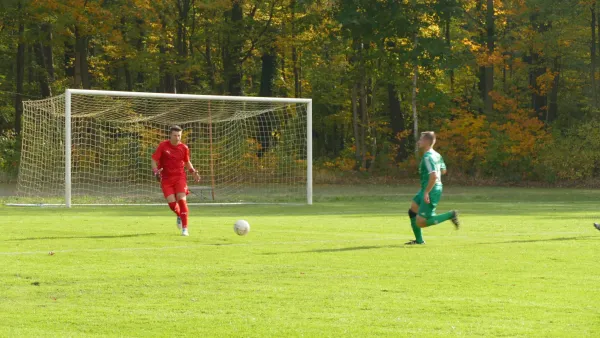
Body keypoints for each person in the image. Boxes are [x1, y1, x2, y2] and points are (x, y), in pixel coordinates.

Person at [405, 131, 460, 245]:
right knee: (413, 210)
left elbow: (434, 176)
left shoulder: (428, 157)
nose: (418, 141)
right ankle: (419, 241)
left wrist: (427, 192)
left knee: (421, 222)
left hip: (431, 189)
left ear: (426, 141)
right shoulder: (437, 155)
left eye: (420, 139)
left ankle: (450, 215)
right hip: (428, 187)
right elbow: (443, 170)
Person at [151, 125, 201, 236]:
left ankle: (185, 228)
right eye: (175, 135)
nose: (177, 138)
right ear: (170, 135)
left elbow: (187, 162)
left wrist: (193, 172)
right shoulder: (163, 146)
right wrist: (155, 171)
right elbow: (154, 160)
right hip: (166, 179)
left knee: (182, 201)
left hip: (180, 177)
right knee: (172, 205)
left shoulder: (184, 148)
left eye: (179, 135)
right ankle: (179, 215)